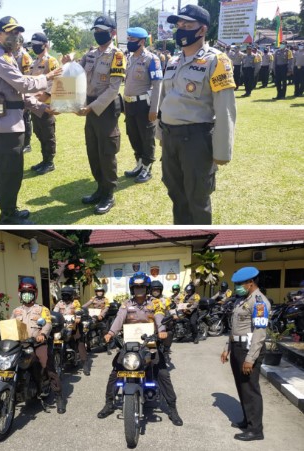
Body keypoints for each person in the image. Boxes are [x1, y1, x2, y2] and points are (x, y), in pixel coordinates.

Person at [156, 4, 236, 225]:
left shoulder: (217, 61)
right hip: (171, 137)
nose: (180, 29)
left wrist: (222, 151)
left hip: (196, 139)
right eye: (179, 25)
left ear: (201, 30)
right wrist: (161, 134)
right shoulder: (173, 61)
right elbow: (165, 101)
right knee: (176, 194)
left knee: (197, 198)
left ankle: (198, 244)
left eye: (186, 25)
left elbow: (225, 108)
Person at [0, 16, 62, 225]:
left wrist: (43, 108)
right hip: (6, 125)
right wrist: (50, 76)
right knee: (10, 173)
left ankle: (9, 209)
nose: (15, 36)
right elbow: (24, 85)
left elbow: (18, 94)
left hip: (7, 120)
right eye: (10, 32)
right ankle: (8, 216)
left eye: (17, 32)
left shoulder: (7, 56)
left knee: (5, 171)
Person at [97, 272, 183, 426]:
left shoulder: (155, 303)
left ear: (147, 287)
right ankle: (109, 404)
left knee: (162, 372)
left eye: (142, 286)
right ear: (132, 288)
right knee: (115, 372)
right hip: (129, 343)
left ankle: (172, 408)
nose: (139, 289)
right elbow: (119, 318)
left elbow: (159, 317)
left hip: (150, 342)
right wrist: (111, 333)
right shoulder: (126, 304)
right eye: (136, 287)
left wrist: (162, 330)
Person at [65, 15, 126, 215]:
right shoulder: (90, 54)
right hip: (89, 106)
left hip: (105, 108)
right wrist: (68, 65)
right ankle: (100, 188)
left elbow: (113, 89)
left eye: (102, 31)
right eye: (96, 31)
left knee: (106, 151)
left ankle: (109, 193)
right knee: (93, 149)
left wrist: (91, 107)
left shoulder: (117, 55)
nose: (98, 34)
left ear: (113, 33)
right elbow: (78, 76)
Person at [220, 266, 270, 441]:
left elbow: (259, 332)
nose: (237, 287)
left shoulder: (259, 302)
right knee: (242, 387)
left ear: (251, 283)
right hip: (237, 347)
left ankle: (256, 430)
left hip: (249, 349)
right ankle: (248, 420)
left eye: (240, 284)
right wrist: (228, 348)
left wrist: (250, 358)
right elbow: (234, 328)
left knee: (250, 389)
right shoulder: (241, 300)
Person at [11, 277, 66, 413]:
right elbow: (10, 325)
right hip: (20, 344)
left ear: (35, 294)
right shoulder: (16, 311)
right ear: (20, 294)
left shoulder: (42, 309)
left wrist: (42, 335)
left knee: (46, 364)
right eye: (24, 292)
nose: (27, 295)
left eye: (29, 292)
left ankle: (59, 396)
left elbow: (47, 323)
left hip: (37, 343)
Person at [123, 27, 163, 183]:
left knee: (146, 137)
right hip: (130, 104)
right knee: (133, 135)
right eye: (128, 39)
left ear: (141, 41)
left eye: (132, 40)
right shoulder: (131, 58)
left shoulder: (152, 59)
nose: (129, 42)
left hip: (144, 105)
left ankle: (147, 167)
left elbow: (158, 84)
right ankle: (139, 163)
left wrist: (154, 108)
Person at [28, 32, 60, 175]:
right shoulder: (34, 62)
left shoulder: (51, 61)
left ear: (45, 45)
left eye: (37, 45)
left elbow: (57, 80)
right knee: (39, 132)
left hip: (46, 104)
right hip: (35, 105)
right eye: (33, 45)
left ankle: (50, 162)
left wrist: (46, 95)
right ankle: (44, 159)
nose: (35, 47)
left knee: (48, 133)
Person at [53, 285, 90, 376]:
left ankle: (85, 364)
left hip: (74, 325)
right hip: (63, 326)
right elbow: (55, 312)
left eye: (67, 295)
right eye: (64, 295)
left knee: (80, 342)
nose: (65, 297)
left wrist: (77, 317)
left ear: (71, 295)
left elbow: (78, 311)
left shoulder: (75, 303)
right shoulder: (59, 303)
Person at [13, 44, 34, 153]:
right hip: (15, 92)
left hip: (24, 92)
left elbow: (28, 76)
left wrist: (26, 96)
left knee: (26, 118)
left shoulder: (24, 56)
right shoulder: (11, 54)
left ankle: (27, 143)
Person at [149, 280, 174, 363]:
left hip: (162, 322)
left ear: (160, 291)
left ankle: (166, 351)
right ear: (150, 290)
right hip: (149, 322)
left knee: (170, 332)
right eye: (154, 290)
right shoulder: (147, 300)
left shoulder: (165, 300)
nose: (156, 292)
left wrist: (174, 314)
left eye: (158, 290)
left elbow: (171, 309)